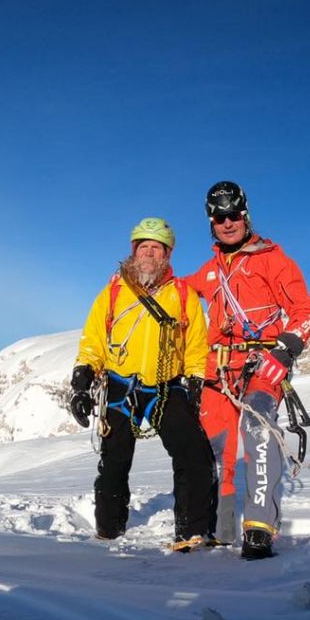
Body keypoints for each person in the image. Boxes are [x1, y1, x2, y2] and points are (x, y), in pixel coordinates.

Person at [186, 181, 310, 560]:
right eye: (219, 216)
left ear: (245, 214)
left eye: (233, 214)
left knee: (258, 430)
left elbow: (305, 312)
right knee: (215, 447)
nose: (227, 222)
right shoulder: (209, 271)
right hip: (218, 368)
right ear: (211, 222)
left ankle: (259, 529)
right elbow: (176, 291)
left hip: (263, 363)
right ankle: (219, 529)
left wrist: (286, 351)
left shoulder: (274, 260)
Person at [69, 217, 217, 551]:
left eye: (156, 248)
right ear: (134, 252)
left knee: (193, 454)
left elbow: (195, 343)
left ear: (167, 254)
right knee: (114, 461)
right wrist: (83, 376)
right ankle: (108, 529)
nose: (149, 254)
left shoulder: (182, 295)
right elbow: (93, 339)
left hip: (167, 387)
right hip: (121, 386)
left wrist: (195, 378)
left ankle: (191, 532)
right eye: (144, 247)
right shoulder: (113, 293)